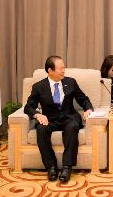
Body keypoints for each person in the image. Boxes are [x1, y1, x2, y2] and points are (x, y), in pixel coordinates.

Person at [24, 55, 93, 183]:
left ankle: (67, 167)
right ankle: (51, 166)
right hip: (49, 119)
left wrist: (88, 109)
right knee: (41, 130)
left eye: (64, 68)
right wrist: (37, 115)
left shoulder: (70, 82)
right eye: (60, 68)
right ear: (50, 70)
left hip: (69, 117)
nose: (63, 71)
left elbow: (83, 99)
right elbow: (28, 107)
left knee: (72, 127)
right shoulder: (39, 86)